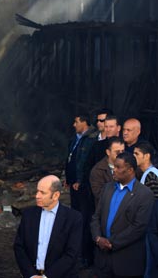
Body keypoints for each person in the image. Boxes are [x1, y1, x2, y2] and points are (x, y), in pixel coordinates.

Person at [91, 152, 154, 278]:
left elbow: (138, 227)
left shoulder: (144, 194)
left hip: (128, 262)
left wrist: (111, 243)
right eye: (114, 166)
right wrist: (98, 238)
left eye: (118, 167)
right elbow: (96, 217)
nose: (114, 170)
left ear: (130, 170)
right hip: (103, 261)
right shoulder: (107, 188)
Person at [13, 175, 82, 277]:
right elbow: (19, 246)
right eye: (37, 191)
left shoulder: (73, 218)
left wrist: (47, 276)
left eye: (43, 193)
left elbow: (71, 254)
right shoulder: (28, 215)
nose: (37, 196)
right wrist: (31, 275)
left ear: (56, 195)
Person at [64, 113, 96, 267]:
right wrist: (68, 178)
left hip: (82, 186)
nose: (73, 124)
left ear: (84, 122)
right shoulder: (75, 139)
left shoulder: (91, 139)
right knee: (76, 218)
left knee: (84, 219)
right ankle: (78, 252)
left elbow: (85, 162)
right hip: (73, 185)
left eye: (76, 121)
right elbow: (71, 159)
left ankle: (86, 255)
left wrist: (79, 180)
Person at [90, 137, 124, 206]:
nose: (121, 155)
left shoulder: (129, 166)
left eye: (122, 151)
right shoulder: (98, 170)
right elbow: (99, 194)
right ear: (108, 152)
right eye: (117, 152)